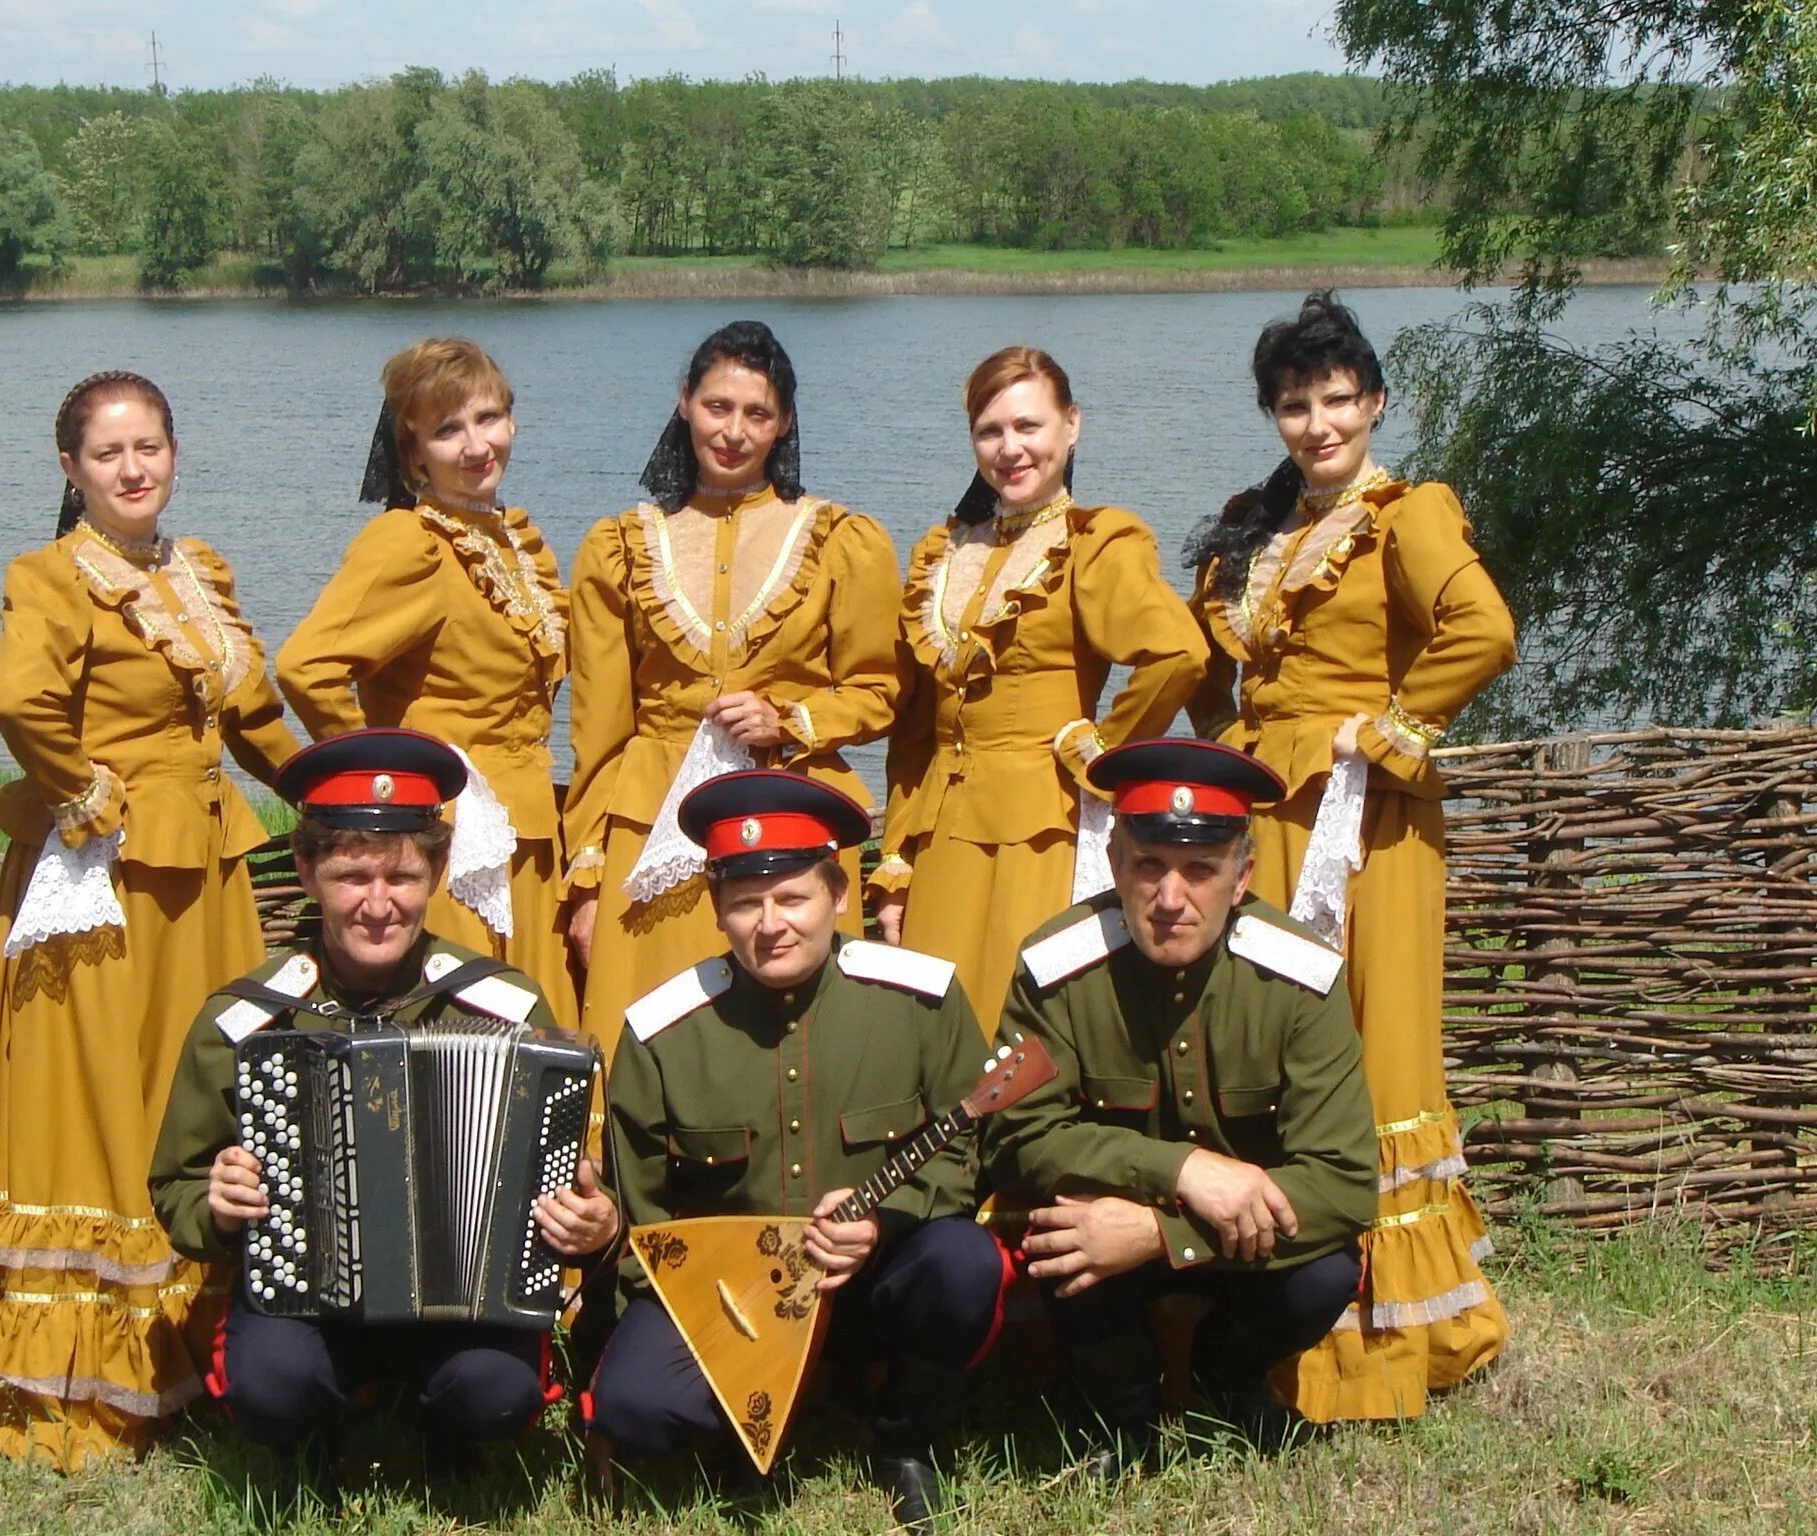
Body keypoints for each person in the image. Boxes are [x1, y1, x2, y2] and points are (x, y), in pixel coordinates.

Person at [0, 371, 303, 1468]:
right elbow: (16, 699)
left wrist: (333, 789)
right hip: (106, 883)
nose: (134, 469)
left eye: (150, 448)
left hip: (205, 875)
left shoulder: (199, 572)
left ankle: (199, 1352)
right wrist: (87, 797)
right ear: (70, 470)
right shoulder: (50, 576)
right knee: (98, 1100)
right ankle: (87, 1384)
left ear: (175, 453)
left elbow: (253, 710)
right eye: (108, 453)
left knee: (198, 1079)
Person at [1184, 291, 1517, 1422]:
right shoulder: (1249, 520)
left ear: (1374, 402)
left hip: (1363, 823)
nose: (1317, 424)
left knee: (1371, 1045)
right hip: (1263, 816)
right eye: (1293, 404)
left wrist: (1379, 729)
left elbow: (1484, 629)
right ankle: (1264, 1313)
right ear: (1271, 413)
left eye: (1336, 400)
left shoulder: (1406, 513)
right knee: (1271, 1043)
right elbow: (1201, 667)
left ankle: (1382, 1339)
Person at [148, 729, 616, 1464]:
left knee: (494, 1392)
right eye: (350, 876)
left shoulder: (504, 1006)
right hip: (306, 1299)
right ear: (305, 871)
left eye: (400, 877)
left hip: (467, 1306)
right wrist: (219, 1204)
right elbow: (176, 1187)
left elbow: (570, 1181)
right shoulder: (247, 1019)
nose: (377, 904)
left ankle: (446, 1433)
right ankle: (320, 1430)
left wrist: (586, 1221)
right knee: (273, 1387)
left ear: (436, 870)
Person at [584, 770, 1002, 1531]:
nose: (769, 924)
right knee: (638, 1409)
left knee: (961, 1262)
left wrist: (884, 1222)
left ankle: (906, 1439)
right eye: (745, 903)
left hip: (878, 1277)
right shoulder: (662, 1034)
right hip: (736, 1302)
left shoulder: (920, 999)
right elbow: (643, 1219)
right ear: (717, 910)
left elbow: (969, 1145)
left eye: (792, 898)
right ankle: (746, 1427)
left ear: (839, 894)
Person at [980, 738, 1377, 1469]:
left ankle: (1230, 1383)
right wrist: (1181, 1169)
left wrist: (1165, 1232)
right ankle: (1124, 1414)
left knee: (1327, 1269)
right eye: (1149, 867)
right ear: (1113, 864)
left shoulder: (1299, 979)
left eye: (1200, 871)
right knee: (1062, 1237)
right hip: (1104, 1242)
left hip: (1246, 1250)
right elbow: (1015, 1135)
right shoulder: (1057, 967)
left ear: (1242, 874)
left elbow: (1347, 1185)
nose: (1171, 899)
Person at [563, 320, 901, 1068]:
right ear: (684, 403)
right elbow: (598, 730)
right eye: (718, 406)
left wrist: (790, 719)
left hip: (790, 810)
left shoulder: (844, 540)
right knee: (642, 1038)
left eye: (756, 414)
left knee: (796, 1045)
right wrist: (587, 875)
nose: (734, 431)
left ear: (783, 423)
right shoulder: (617, 547)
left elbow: (880, 691)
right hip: (647, 829)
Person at [873, 346, 1208, 1030]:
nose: (1010, 448)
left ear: (1072, 426)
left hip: (1041, 829)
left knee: (1025, 1022)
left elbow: (1178, 654)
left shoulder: (1094, 542)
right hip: (941, 837)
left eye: (1029, 426)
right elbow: (915, 732)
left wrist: (1104, 752)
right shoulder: (941, 552)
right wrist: (898, 861)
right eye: (990, 431)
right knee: (936, 1028)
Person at [276, 338, 575, 1026]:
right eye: (448, 430)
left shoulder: (513, 542)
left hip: (525, 829)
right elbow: (306, 666)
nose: (476, 445)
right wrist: (386, 787)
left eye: (488, 418)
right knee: (462, 1040)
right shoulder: (409, 542)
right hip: (453, 839)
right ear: (413, 454)